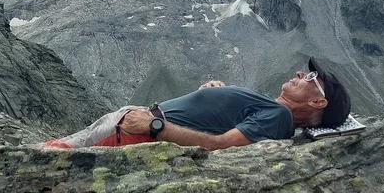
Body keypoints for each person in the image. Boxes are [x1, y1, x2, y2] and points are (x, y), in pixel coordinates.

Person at [44, 58, 351, 151]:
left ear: (317, 101)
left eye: (310, 76)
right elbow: (219, 125)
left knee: (54, 156)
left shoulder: (278, 116)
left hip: (137, 129)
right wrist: (209, 96)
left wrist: (155, 126)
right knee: (50, 153)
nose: (300, 73)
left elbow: (220, 145)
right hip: (136, 121)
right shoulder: (273, 109)